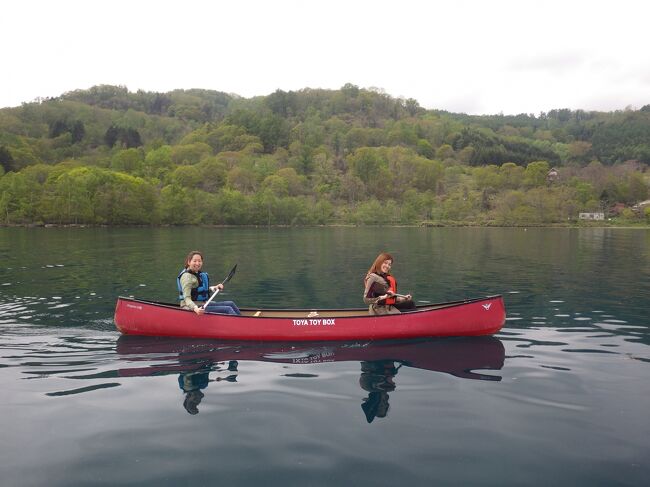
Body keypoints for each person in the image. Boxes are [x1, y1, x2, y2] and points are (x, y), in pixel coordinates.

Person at [177, 250, 241, 315]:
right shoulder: (186, 277)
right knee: (227, 309)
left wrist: (215, 288)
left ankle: (243, 321)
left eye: (199, 261)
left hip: (202, 303)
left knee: (230, 303)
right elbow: (187, 298)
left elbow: (199, 291)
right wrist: (196, 309)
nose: (197, 263)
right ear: (189, 262)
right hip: (191, 307)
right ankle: (241, 324)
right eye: (195, 261)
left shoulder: (197, 274)